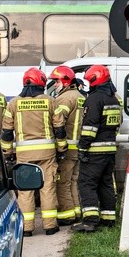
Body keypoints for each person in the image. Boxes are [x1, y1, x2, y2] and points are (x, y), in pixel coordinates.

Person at [0, 68, 67, 236]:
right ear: (41, 83)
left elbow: (7, 132)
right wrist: (61, 149)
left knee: (25, 190)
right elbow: (59, 129)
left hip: (24, 155)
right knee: (48, 188)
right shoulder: (51, 101)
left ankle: (27, 228)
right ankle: (50, 226)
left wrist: (7, 152)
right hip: (47, 154)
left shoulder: (13, 103)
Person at [75, 64, 122, 232]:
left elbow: (90, 127)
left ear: (95, 79)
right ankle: (108, 219)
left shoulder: (94, 99)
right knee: (106, 183)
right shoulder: (113, 99)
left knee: (87, 183)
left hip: (94, 151)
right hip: (109, 150)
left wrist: (82, 148)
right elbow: (118, 124)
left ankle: (90, 220)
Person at [49, 65, 86, 226]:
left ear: (64, 81)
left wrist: (59, 147)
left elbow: (58, 124)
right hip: (78, 146)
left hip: (68, 148)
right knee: (74, 181)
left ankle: (67, 215)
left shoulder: (64, 99)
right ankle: (77, 212)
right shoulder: (80, 96)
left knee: (62, 182)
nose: (54, 85)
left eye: (56, 82)